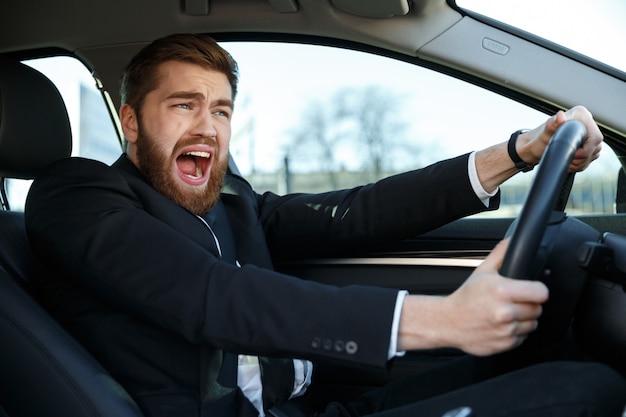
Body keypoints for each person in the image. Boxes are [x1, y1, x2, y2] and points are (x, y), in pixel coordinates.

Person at [25, 33, 625, 417]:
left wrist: (516, 152)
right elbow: (211, 295)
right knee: (580, 397)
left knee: (559, 368)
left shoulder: (230, 200)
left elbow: (355, 213)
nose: (208, 126)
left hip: (317, 405)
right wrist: (441, 319)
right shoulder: (77, 196)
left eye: (222, 109)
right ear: (130, 122)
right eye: (184, 105)